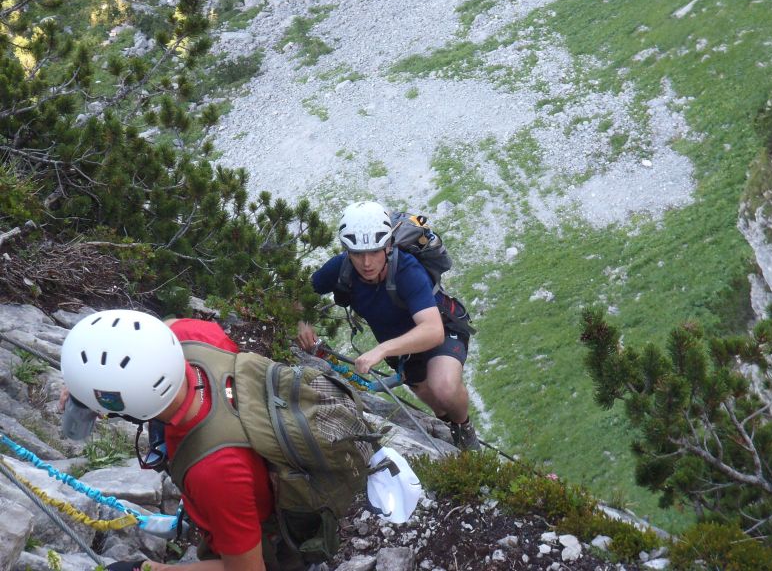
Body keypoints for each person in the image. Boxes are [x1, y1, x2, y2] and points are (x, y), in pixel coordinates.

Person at [60, 310, 282, 571]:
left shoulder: (214, 471)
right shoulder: (192, 337)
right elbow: (163, 327)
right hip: (240, 481)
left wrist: (153, 568)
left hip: (262, 540)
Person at [297, 201, 480, 451]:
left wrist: (381, 350)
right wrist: (302, 323)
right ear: (347, 251)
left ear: (388, 246)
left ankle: (465, 429)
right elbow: (299, 294)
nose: (367, 262)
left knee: (444, 388)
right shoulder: (340, 268)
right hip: (402, 350)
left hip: (442, 328)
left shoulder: (406, 269)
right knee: (436, 404)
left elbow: (433, 331)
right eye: (358, 253)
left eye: (374, 251)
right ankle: (449, 430)